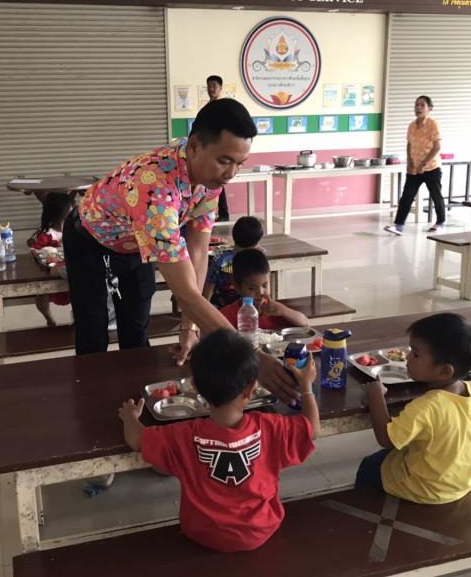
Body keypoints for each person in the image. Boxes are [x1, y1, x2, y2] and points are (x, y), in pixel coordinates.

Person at [63, 98, 297, 400]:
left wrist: (190, 328)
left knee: (136, 330)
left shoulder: (210, 177)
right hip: (91, 242)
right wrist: (249, 357)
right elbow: (185, 292)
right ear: (195, 145)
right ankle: (91, 406)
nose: (231, 174)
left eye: (240, 163)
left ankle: (136, 406)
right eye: (225, 161)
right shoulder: (154, 188)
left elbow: (197, 253)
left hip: (136, 243)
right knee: (94, 334)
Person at [118, 329, 320, 552]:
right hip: (261, 530)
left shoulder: (183, 436)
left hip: (202, 534)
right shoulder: (271, 427)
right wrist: (306, 387)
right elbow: (312, 428)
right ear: (251, 390)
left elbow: (137, 440)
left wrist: (130, 417)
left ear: (195, 387)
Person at [357, 312, 471, 504]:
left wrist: (376, 397)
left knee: (369, 465)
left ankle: (363, 507)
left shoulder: (426, 407)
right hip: (463, 483)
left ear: (444, 371)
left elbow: (386, 439)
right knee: (408, 447)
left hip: (424, 489)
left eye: (416, 354)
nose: (407, 357)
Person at [384, 95, 446, 235]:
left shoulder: (433, 124)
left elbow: (437, 147)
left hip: (431, 168)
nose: (418, 107)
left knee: (436, 195)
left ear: (429, 108)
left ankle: (440, 222)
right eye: (416, 105)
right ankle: (398, 225)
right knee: (407, 196)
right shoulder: (412, 126)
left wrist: (424, 163)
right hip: (415, 169)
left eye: (422, 105)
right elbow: (409, 145)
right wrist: (410, 162)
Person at [219, 249, 308, 329]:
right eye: (252, 288)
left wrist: (284, 311)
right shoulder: (227, 315)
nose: (261, 292)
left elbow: (305, 323)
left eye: (265, 285)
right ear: (237, 287)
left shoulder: (274, 310)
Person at [27, 193, 74, 326]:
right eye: (69, 213)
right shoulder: (47, 234)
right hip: (51, 273)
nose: (72, 216)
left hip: (69, 273)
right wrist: (51, 250)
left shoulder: (74, 230)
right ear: (57, 215)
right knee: (42, 296)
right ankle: (49, 319)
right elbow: (35, 251)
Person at [203, 215, 264, 308]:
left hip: (220, 309)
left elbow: (208, 291)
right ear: (256, 243)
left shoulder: (220, 258)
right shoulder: (256, 259)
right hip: (248, 308)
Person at [206, 75, 230, 223]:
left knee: (218, 180)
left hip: (220, 149)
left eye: (214, 86)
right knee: (212, 181)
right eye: (209, 86)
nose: (211, 89)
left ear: (220, 88)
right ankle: (214, 213)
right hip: (209, 149)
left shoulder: (223, 107)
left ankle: (224, 213)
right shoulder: (207, 108)